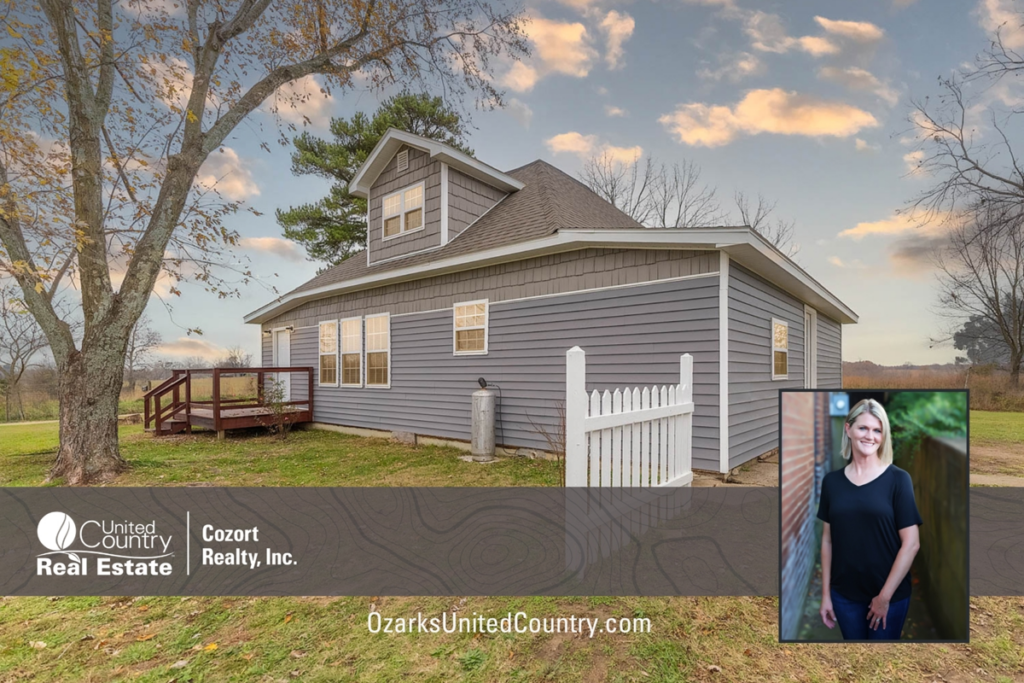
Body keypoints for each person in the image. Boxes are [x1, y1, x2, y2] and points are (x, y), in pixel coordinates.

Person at [817, 398, 922, 640]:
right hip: (844, 596)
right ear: (848, 429)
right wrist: (826, 595)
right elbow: (827, 541)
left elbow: (911, 544)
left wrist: (883, 598)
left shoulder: (898, 480)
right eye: (863, 428)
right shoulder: (832, 482)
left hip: (890, 597)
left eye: (877, 430)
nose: (870, 436)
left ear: (883, 436)